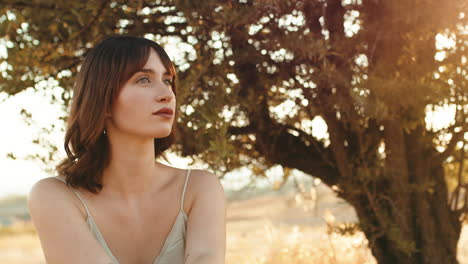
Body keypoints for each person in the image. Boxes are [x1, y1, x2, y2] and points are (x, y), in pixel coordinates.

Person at [27, 35, 226, 264]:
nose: (166, 94)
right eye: (143, 80)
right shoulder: (54, 196)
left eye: (168, 80)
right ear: (104, 99)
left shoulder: (199, 188)